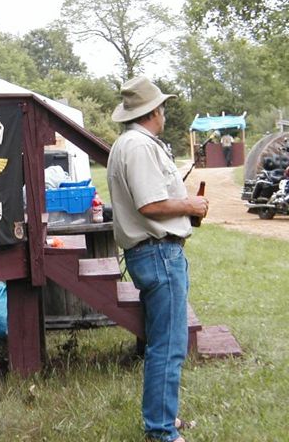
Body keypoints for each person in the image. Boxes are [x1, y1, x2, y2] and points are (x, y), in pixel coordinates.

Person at [106, 76, 208, 442]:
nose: (164, 112)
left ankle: (164, 419)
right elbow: (150, 205)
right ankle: (160, 431)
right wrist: (191, 205)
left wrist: (184, 212)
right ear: (154, 111)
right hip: (159, 253)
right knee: (168, 345)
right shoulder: (138, 146)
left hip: (154, 253)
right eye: (162, 107)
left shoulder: (131, 144)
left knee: (164, 342)